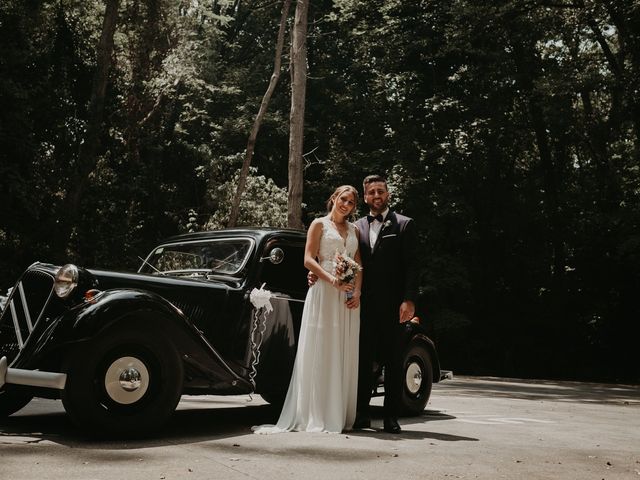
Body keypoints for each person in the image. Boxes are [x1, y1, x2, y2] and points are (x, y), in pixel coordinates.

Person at [252, 185, 362, 434]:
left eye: (352, 203)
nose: (346, 205)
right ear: (334, 198)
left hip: (346, 296)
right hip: (324, 292)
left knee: (342, 348)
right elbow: (308, 259)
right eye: (343, 199)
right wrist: (330, 279)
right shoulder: (319, 224)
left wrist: (357, 292)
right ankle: (316, 412)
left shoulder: (354, 230)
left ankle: (338, 412)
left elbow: (359, 264)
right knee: (322, 347)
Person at [350, 174, 419, 434]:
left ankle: (391, 417)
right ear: (365, 196)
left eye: (381, 191)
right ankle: (361, 414)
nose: (376, 196)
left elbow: (413, 266)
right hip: (362, 307)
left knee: (393, 361)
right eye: (371, 192)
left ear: (388, 194)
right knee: (362, 361)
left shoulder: (404, 224)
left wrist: (409, 300)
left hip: (394, 307)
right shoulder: (356, 226)